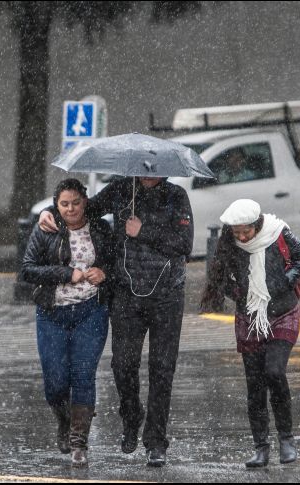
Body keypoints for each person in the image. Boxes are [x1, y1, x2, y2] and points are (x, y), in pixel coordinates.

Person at [38, 175, 193, 467]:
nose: (148, 174)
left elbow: (184, 244)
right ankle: (131, 416)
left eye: (154, 169)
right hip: (126, 295)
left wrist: (143, 231)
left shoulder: (176, 196)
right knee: (123, 364)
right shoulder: (123, 188)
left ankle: (156, 441)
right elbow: (85, 207)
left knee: (162, 368)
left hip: (167, 296)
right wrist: (50, 210)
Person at [200, 199, 300, 468]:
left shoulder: (277, 231)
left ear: (257, 223)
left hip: (283, 313)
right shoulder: (229, 243)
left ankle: (286, 439)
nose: (241, 236)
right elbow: (219, 277)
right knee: (255, 386)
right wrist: (239, 293)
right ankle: (261, 447)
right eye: (236, 232)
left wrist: (286, 281)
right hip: (249, 318)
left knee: (274, 371)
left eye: (245, 231)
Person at [20, 178, 114, 468]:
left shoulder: (100, 227)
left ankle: (78, 443)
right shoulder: (46, 227)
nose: (70, 208)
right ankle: (63, 421)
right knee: (56, 382)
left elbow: (115, 259)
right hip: (52, 314)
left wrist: (104, 272)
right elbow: (28, 269)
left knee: (84, 375)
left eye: (75, 202)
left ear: (85, 201)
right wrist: (65, 273)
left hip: (91, 311)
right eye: (64, 204)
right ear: (56, 205)